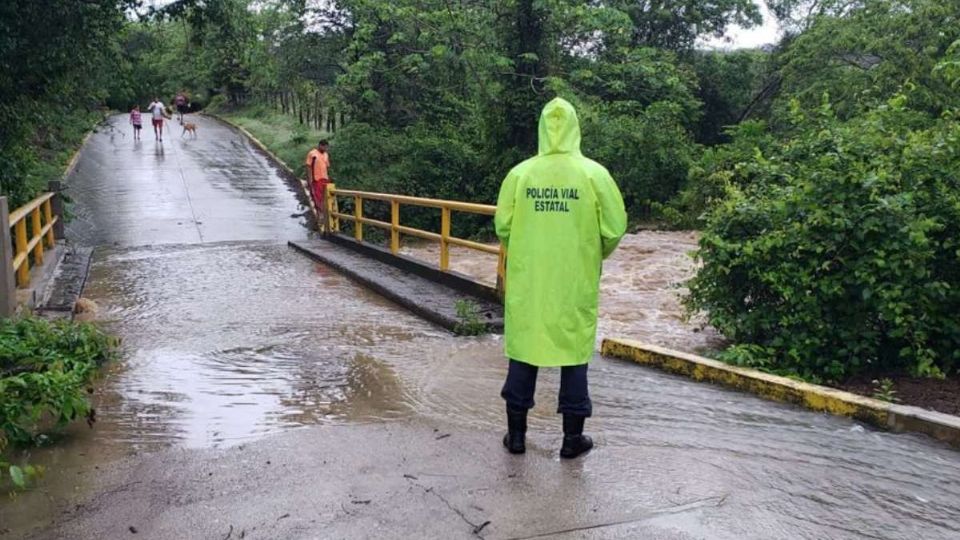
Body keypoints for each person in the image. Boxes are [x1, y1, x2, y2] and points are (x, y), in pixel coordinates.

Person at [494, 97, 627, 459]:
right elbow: (615, 227)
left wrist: (525, 249)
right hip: (574, 278)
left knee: (524, 349)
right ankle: (571, 441)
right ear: (574, 128)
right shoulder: (594, 175)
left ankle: (517, 437)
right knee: (573, 355)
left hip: (530, 279)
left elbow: (503, 226)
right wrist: (591, 253)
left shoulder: (520, 174)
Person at [304, 139, 331, 218]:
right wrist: (310, 180)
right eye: (324, 147)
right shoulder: (312, 154)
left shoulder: (326, 155)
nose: (325, 149)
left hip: (325, 178)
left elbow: (327, 166)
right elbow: (308, 167)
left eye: (327, 147)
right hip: (316, 179)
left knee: (324, 197)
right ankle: (320, 215)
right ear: (320, 146)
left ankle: (324, 214)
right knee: (317, 197)